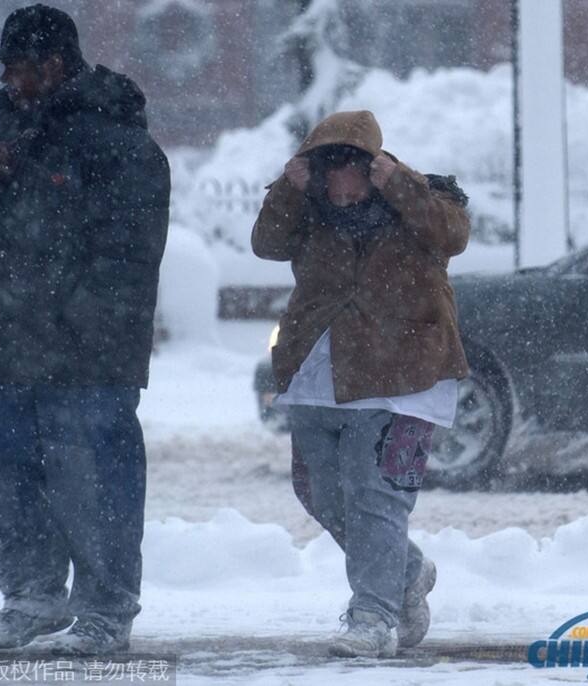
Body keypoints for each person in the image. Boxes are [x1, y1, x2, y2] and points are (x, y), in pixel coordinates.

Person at [0, 4, 169, 655]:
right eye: (5, 69)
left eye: (19, 68)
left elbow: (131, 252)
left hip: (89, 352)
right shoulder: (2, 120)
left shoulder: (116, 137)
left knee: (93, 477)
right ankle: (31, 591)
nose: (8, 81)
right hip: (5, 341)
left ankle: (105, 609)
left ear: (56, 65)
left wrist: (78, 321)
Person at [252, 110, 470, 657]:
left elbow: (450, 234)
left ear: (372, 168)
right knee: (320, 491)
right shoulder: (309, 211)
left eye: (350, 170)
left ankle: (372, 617)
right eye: (327, 172)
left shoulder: (421, 199)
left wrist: (398, 183)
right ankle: (407, 571)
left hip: (403, 376)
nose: (339, 185)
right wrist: (287, 187)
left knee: (375, 499)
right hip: (318, 372)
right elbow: (266, 244)